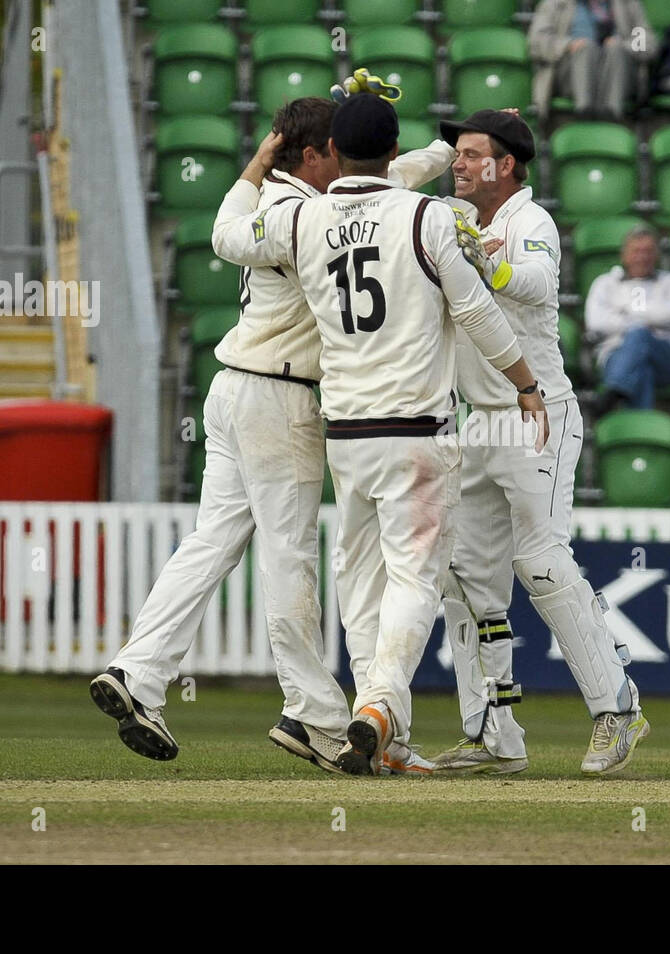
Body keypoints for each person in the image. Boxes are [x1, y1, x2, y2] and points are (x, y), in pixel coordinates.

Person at [89, 94, 457, 776]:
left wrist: (262, 155)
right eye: (334, 151)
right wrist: (447, 147)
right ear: (315, 154)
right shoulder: (306, 214)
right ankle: (312, 714)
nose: (344, 162)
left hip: (231, 390)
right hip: (278, 397)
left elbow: (226, 227)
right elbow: (389, 187)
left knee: (210, 544)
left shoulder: (268, 201)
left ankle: (137, 672)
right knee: (288, 560)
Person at [212, 93, 550, 776]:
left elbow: (226, 238)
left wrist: (261, 158)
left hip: (345, 433)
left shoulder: (303, 218)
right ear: (396, 152)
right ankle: (379, 708)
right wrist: (525, 382)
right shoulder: (425, 215)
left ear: (332, 151)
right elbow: (478, 311)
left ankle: (376, 737)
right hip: (416, 431)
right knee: (415, 578)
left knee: (359, 582)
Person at [420, 109, 650, 776]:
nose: (456, 164)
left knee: (542, 561)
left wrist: (482, 266)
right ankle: (494, 734)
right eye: (454, 154)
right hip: (478, 424)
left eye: (470, 154)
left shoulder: (531, 221)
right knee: (466, 581)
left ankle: (619, 707)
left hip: (537, 416)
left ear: (507, 166)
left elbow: (537, 283)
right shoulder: (456, 217)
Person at [585, 224, 670, 412]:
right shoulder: (605, 283)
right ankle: (635, 421)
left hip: (665, 358)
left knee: (639, 334)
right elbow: (596, 322)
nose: (642, 257)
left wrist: (625, 313)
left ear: (657, 255)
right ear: (623, 254)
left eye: (648, 251)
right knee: (642, 370)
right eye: (636, 251)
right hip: (613, 356)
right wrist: (648, 319)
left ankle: (614, 389)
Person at [528, 0, 656, 121]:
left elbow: (649, 44)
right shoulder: (555, 3)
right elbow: (536, 42)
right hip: (570, 76)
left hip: (618, 75)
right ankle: (584, 111)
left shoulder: (628, 4)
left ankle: (612, 113)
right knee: (586, 48)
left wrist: (624, 45)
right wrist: (568, 45)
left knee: (616, 48)